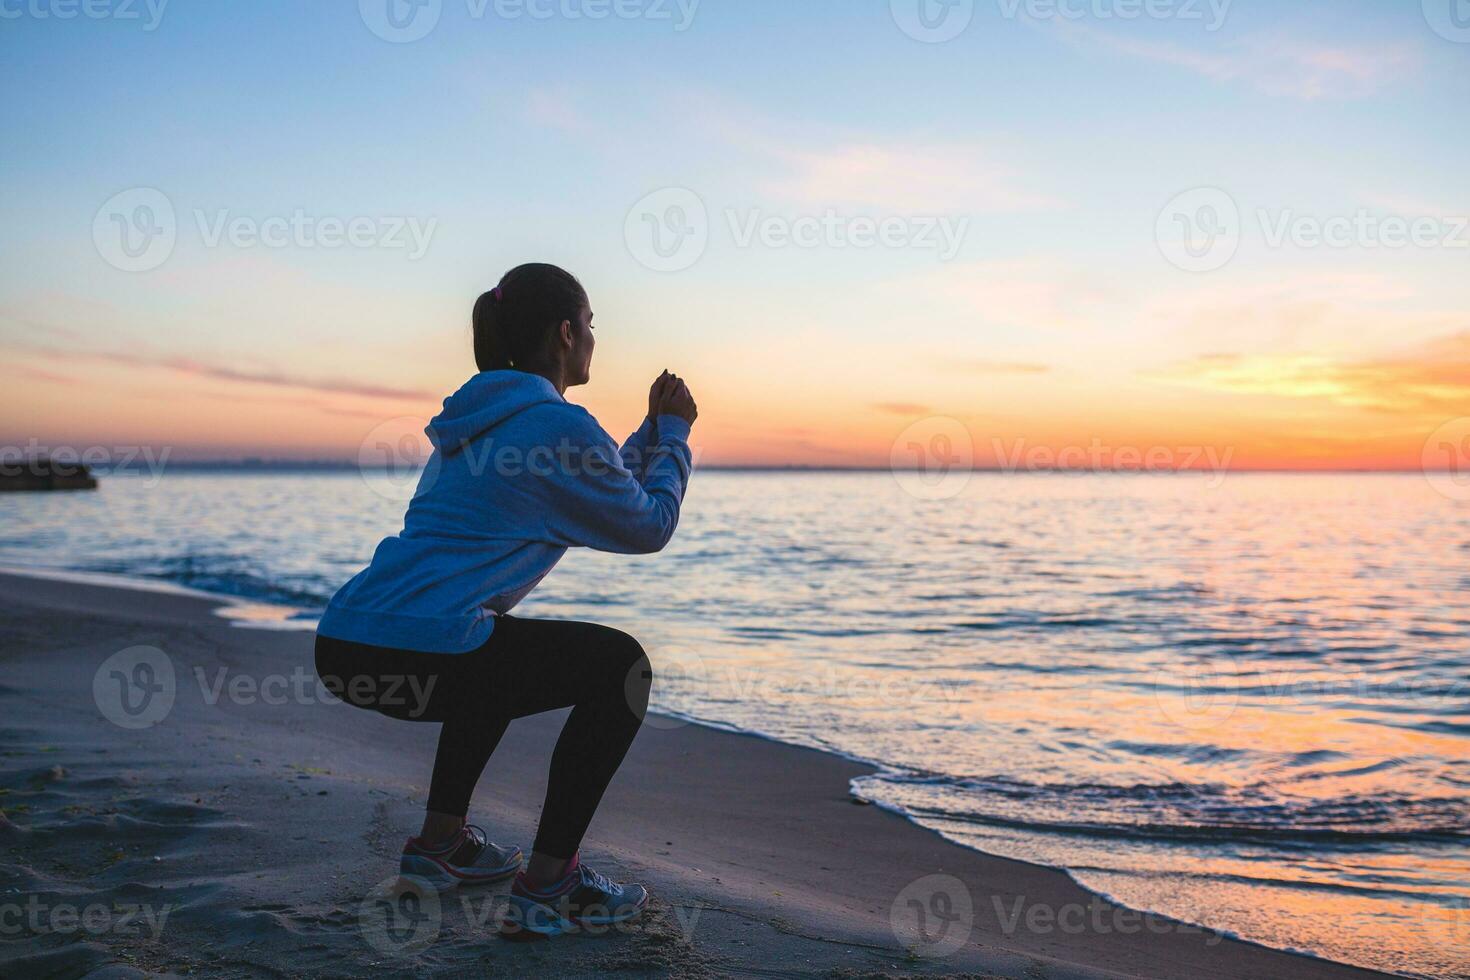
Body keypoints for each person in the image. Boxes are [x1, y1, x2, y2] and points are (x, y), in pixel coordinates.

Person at [313, 263, 697, 938]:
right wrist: (675, 439)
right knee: (621, 667)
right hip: (420, 655)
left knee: (487, 639)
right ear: (566, 333)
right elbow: (648, 525)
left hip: (346, 643)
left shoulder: (476, 425)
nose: (595, 342)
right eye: (593, 328)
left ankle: (441, 848)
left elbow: (607, 485)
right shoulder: (556, 427)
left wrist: (651, 434)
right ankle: (551, 884)